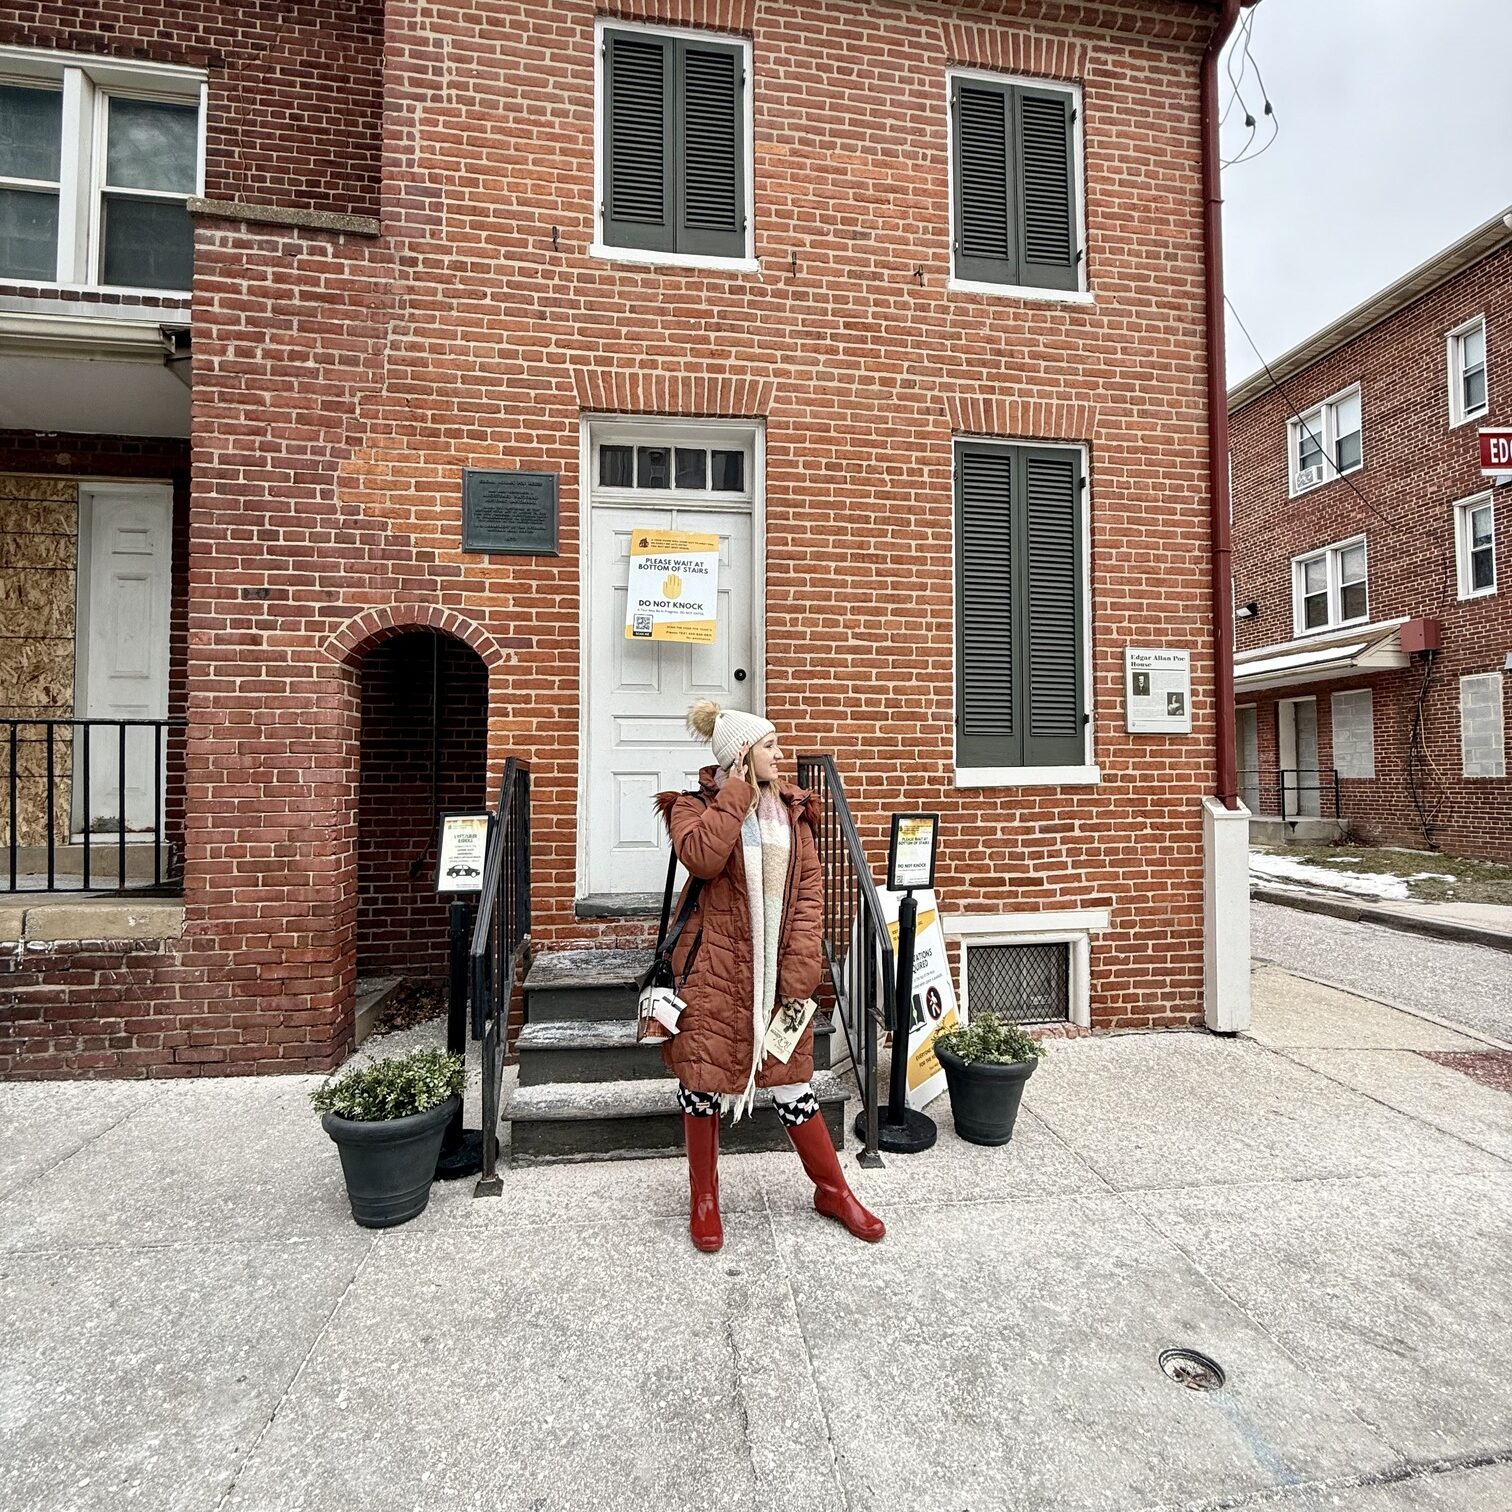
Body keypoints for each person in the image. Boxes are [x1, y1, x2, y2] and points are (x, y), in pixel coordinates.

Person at [654, 700, 885, 1253]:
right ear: (742, 755)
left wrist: (801, 972)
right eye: (770, 747)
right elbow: (705, 859)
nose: (783, 756)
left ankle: (833, 1191)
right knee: (702, 1085)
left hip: (778, 975)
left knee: (794, 1086)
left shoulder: (797, 815)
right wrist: (735, 794)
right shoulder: (690, 808)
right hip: (711, 972)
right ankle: (704, 1201)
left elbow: (809, 900)